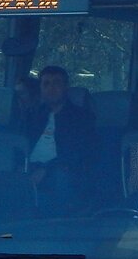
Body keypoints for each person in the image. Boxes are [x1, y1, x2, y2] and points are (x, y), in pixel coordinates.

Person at [28, 65, 95, 195]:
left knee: (60, 177)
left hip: (62, 171)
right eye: (46, 84)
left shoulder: (82, 117)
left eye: (56, 83)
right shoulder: (31, 116)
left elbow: (79, 153)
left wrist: (46, 169)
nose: (51, 88)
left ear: (66, 87)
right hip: (30, 166)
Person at [7, 73, 43, 141]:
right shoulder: (13, 116)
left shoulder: (43, 118)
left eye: (21, 93)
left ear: (34, 94)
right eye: (16, 94)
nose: (17, 98)